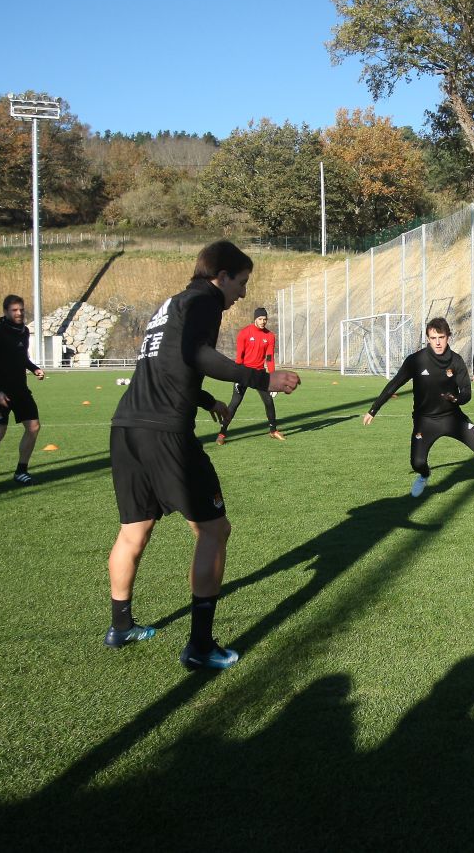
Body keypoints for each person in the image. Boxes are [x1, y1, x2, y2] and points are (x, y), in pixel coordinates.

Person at [102, 240, 301, 669]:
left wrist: (206, 399)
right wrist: (264, 380)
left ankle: (120, 626)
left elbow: (170, 366)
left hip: (126, 429)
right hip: (164, 435)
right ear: (222, 276)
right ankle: (200, 646)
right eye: (242, 282)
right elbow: (197, 355)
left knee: (133, 532)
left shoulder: (171, 305)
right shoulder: (204, 300)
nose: (243, 294)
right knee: (214, 530)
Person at [362, 318, 474, 503]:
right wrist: (373, 409)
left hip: (453, 418)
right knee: (417, 463)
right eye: (433, 337)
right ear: (427, 338)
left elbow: (466, 392)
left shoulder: (456, 361)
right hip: (425, 421)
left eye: (441, 337)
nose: (437, 342)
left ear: (448, 337)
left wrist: (457, 399)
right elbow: (394, 384)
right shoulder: (416, 360)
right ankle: (424, 476)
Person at [0, 294, 45, 491]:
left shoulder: (23, 332)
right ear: (6, 312)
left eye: (21, 310)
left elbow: (21, 357)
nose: (19, 313)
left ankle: (21, 471)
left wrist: (34, 368)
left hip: (21, 390)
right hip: (2, 392)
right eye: (15, 310)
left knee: (33, 427)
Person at [217, 307, 283, 444]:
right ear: (255, 319)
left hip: (259, 375)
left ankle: (273, 431)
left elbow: (270, 358)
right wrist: (237, 376)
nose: (263, 321)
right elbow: (239, 356)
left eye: (265, 319)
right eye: (260, 319)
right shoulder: (244, 333)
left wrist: (273, 378)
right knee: (234, 404)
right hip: (243, 373)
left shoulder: (270, 336)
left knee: (269, 402)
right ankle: (222, 434)